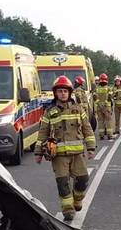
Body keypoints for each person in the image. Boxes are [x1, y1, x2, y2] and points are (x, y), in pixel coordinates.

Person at [36, 76, 96, 221]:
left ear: (69, 92)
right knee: (62, 183)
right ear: (55, 93)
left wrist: (91, 148)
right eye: (60, 91)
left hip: (77, 153)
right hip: (58, 155)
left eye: (65, 91)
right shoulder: (49, 112)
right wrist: (38, 153)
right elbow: (43, 132)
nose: (62, 94)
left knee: (83, 179)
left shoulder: (78, 109)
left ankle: (77, 198)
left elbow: (87, 129)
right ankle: (67, 209)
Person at [93, 73, 115, 140]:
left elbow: (94, 97)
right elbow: (110, 97)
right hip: (107, 107)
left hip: (99, 107)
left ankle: (101, 135)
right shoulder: (108, 88)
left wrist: (99, 103)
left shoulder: (97, 89)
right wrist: (106, 102)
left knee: (100, 120)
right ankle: (109, 135)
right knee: (108, 121)